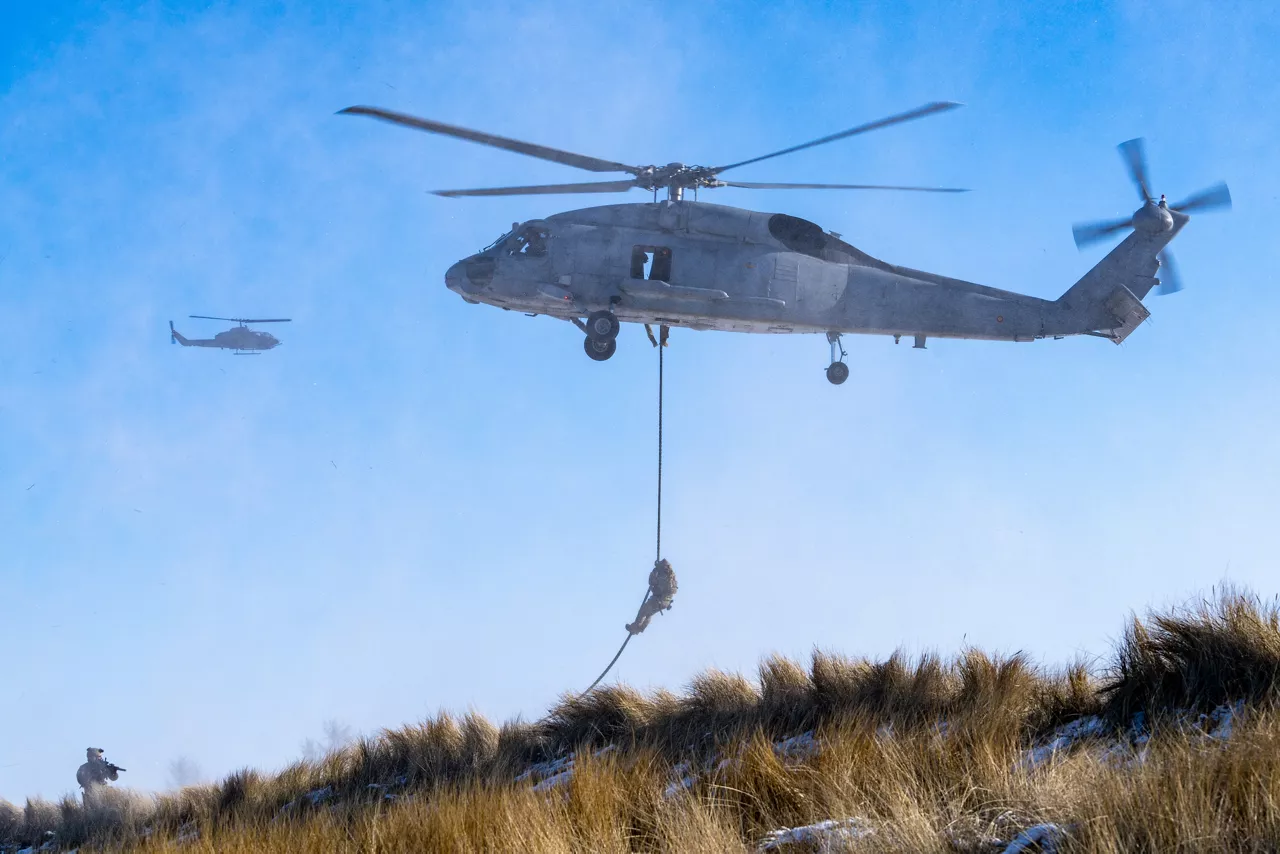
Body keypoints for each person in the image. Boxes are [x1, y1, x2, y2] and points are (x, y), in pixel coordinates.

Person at [626, 559, 677, 635]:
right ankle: (640, 628)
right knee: (649, 613)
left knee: (644, 610)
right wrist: (655, 571)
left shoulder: (664, 576)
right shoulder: (670, 576)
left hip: (660, 600)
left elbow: (652, 582)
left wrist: (654, 571)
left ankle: (636, 627)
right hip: (664, 601)